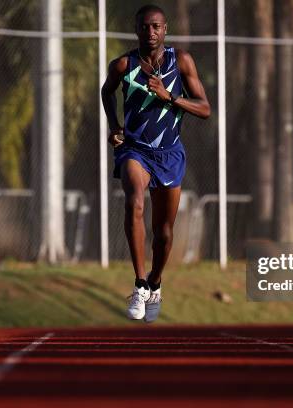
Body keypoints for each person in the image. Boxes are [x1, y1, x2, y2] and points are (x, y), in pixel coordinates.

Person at [100, 4, 211, 322]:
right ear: (137, 30)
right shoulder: (124, 64)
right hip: (135, 150)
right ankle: (139, 285)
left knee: (163, 232)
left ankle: (156, 281)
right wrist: (115, 126)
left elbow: (204, 109)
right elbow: (107, 92)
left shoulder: (182, 61)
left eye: (156, 27)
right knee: (134, 201)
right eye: (145, 27)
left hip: (170, 153)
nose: (151, 32)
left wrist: (170, 97)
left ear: (166, 30)